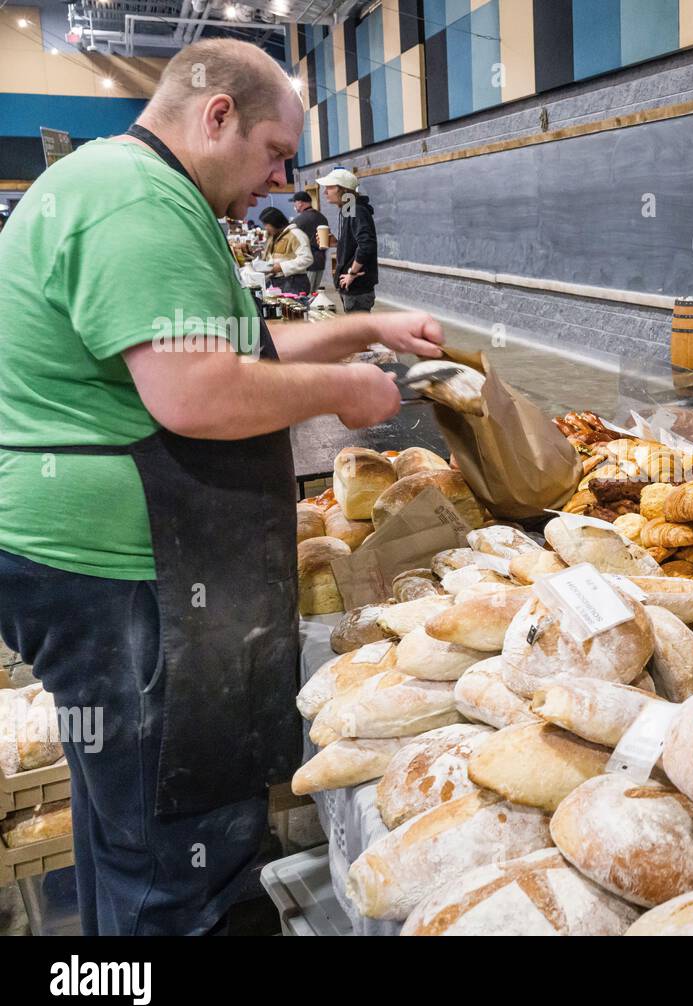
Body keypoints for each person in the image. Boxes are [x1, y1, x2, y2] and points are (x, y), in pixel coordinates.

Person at [0, 38, 447, 936]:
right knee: (177, 847)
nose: (282, 178)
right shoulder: (135, 201)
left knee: (126, 823)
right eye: (276, 151)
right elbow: (197, 391)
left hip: (100, 563)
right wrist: (347, 390)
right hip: (124, 573)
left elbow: (238, 346)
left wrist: (371, 328)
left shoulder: (140, 189)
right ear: (216, 116)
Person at [319, 168, 378, 312]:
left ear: (343, 190)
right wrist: (338, 243)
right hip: (350, 285)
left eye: (329, 187)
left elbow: (366, 245)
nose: (325, 192)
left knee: (361, 333)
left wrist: (352, 273)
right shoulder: (348, 209)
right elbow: (355, 244)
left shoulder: (357, 210)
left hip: (357, 286)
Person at [258, 206, 313, 294]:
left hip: (294, 282)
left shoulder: (296, 234)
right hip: (278, 281)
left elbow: (307, 259)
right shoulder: (274, 237)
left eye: (266, 224)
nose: (265, 228)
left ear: (274, 222)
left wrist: (281, 267)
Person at [290, 189, 329, 292]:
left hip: (307, 263)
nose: (294, 206)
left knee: (305, 295)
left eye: (295, 203)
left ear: (300, 203)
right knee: (314, 294)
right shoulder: (322, 217)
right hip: (320, 260)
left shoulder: (298, 221)